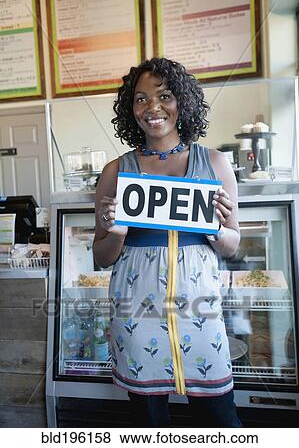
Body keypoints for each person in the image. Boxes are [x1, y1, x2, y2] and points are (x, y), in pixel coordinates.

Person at [93, 57, 241, 428]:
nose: (153, 107)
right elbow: (101, 256)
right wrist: (116, 233)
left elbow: (232, 246)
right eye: (141, 99)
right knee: (148, 425)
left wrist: (216, 229)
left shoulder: (215, 163)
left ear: (183, 102)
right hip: (136, 319)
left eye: (165, 96)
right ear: (131, 110)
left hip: (201, 316)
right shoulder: (116, 171)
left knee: (221, 421)